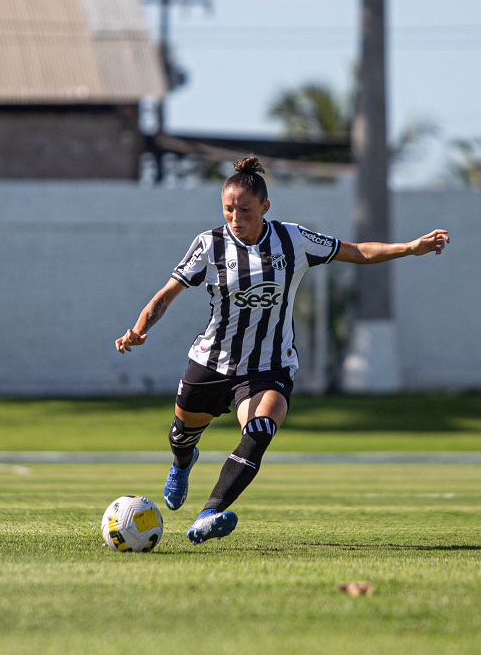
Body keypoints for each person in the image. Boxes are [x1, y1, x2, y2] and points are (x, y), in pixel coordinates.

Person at [115, 156, 449, 545]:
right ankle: (182, 462)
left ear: (264, 208)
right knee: (181, 437)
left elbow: (356, 251)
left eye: (244, 209)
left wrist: (410, 247)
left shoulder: (294, 240)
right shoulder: (210, 244)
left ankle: (208, 514)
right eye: (228, 209)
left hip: (270, 366)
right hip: (211, 361)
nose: (235, 218)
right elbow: (167, 294)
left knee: (259, 429)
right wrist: (139, 329)